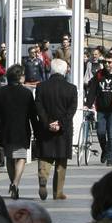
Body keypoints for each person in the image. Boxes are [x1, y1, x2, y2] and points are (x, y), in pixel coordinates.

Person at [0, 64, 39, 199]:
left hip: (6, 130)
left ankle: (12, 182)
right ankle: (16, 183)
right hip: (22, 130)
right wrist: (36, 130)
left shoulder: (2, 92)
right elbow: (32, 114)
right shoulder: (27, 93)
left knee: (9, 158)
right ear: (19, 77)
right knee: (21, 157)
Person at [33, 58, 78, 201]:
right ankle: (58, 192)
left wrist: (48, 123)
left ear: (51, 70)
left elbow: (38, 107)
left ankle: (43, 177)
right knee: (61, 160)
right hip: (63, 130)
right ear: (65, 71)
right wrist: (60, 124)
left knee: (45, 156)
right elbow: (72, 110)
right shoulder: (71, 89)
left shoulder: (41, 87)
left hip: (45, 129)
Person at [86, 54, 112, 166]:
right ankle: (105, 150)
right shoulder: (99, 74)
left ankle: (110, 159)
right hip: (101, 109)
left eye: (109, 62)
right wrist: (88, 104)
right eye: (105, 62)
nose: (107, 64)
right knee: (100, 132)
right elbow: (93, 90)